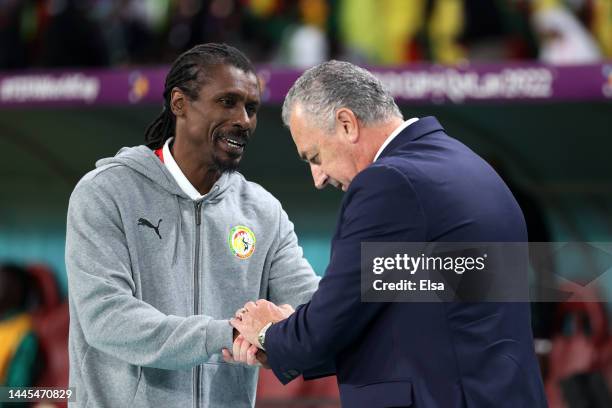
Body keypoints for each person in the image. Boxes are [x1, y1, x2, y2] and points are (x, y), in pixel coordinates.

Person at [229, 60, 548, 407]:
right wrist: (290, 340)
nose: (318, 178)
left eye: (315, 157)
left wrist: (268, 333)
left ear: (347, 124)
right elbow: (411, 322)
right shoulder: (470, 167)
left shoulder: (390, 184)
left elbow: (332, 317)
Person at [65, 43, 320, 408]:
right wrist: (228, 334)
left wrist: (281, 332)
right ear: (179, 103)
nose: (244, 120)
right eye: (227, 102)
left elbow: (309, 304)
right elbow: (107, 317)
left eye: (251, 108)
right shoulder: (106, 193)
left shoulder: (263, 211)